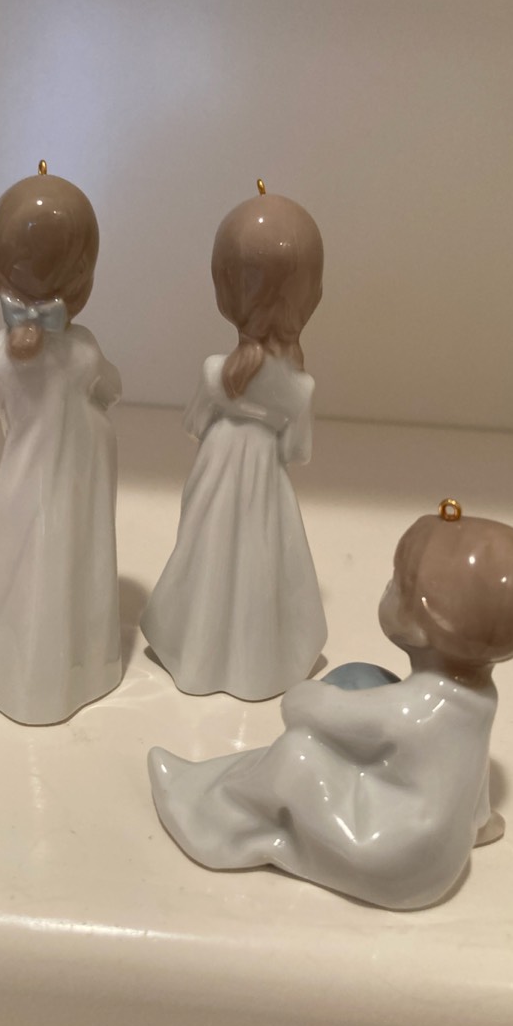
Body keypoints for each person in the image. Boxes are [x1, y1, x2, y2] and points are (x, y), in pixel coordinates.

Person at [148, 504, 513, 910]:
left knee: (296, 757)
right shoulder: (479, 700)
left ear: (417, 626)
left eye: (395, 586)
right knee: (363, 676)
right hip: (438, 859)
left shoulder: (412, 710)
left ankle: (206, 815)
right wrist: (476, 825)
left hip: (393, 865)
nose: (387, 588)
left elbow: (303, 711)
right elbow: (471, 780)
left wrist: (305, 694)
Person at [141, 190, 327, 701]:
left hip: (217, 466)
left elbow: (195, 424)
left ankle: (194, 646)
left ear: (223, 290)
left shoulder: (213, 372)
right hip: (265, 475)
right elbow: (297, 451)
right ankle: (259, 658)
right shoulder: (300, 388)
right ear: (310, 298)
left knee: (207, 553)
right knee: (262, 559)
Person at [0, 167, 122, 724]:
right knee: (74, 556)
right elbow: (112, 389)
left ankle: (9, 661)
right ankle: (76, 664)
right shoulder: (85, 352)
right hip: (81, 467)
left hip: (25, 470)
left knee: (17, 557)